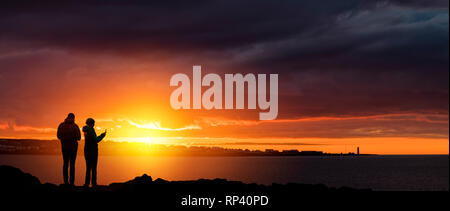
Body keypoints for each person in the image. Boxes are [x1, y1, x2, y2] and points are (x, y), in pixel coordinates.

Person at [57, 113, 81, 186]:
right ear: (73, 118)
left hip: (64, 147)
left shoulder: (61, 125)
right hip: (73, 148)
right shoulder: (75, 126)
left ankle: (66, 182)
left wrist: (64, 139)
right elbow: (79, 138)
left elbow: (58, 136)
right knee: (72, 165)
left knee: (65, 164)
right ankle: (71, 183)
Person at [82, 118, 106, 187]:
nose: (94, 124)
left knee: (88, 168)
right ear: (92, 123)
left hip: (86, 151)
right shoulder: (91, 130)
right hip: (93, 151)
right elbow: (96, 140)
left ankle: (87, 183)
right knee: (94, 168)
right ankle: (94, 183)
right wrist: (102, 135)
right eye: (94, 123)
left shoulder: (85, 130)